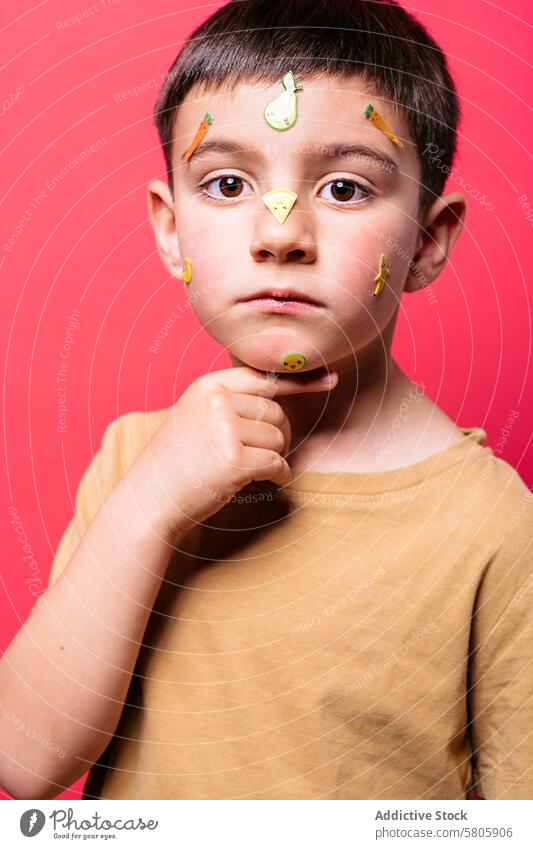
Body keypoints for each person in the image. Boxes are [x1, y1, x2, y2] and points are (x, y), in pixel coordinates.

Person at [1, 0, 531, 801]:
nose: (279, 231)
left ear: (426, 242)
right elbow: (23, 761)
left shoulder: (491, 522)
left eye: (346, 187)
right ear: (171, 228)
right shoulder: (134, 461)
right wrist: (149, 502)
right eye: (225, 182)